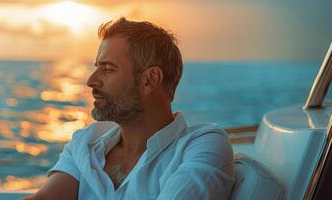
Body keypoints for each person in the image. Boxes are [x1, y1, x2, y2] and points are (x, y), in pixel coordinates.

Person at [23, 17, 234, 200]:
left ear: (150, 80)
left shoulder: (202, 146)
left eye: (107, 69)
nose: (91, 81)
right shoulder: (86, 143)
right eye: (96, 68)